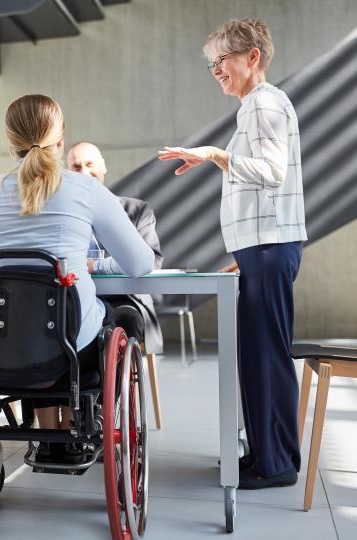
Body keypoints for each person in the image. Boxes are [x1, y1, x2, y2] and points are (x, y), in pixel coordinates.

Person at [0, 94, 155, 463]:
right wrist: (92, 264)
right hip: (71, 346)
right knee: (118, 320)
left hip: (3, 344)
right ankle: (81, 420)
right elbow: (141, 263)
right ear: (61, 139)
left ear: (10, 141)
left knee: (33, 319)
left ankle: (48, 432)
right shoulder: (86, 190)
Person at [158, 18, 307, 489]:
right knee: (256, 354)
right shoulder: (257, 105)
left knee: (267, 355)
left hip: (269, 248)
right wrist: (244, 253)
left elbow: (271, 172)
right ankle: (264, 453)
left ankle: (276, 464)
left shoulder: (262, 102)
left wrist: (215, 155)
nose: (216, 70)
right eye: (212, 64)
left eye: (220, 60)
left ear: (252, 57)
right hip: (260, 248)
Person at [66, 141, 164, 353]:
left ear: (103, 166)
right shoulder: (63, 215)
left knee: (126, 320)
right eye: (76, 167)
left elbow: (152, 261)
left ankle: (115, 385)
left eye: (90, 164)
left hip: (123, 299)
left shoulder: (137, 210)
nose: (83, 172)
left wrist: (94, 266)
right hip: (74, 298)